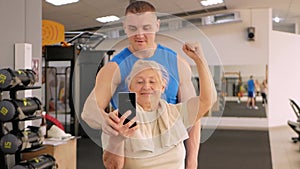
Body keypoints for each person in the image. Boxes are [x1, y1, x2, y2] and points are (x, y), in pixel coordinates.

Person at [82, 1, 209, 168]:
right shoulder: (115, 67)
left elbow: (194, 116)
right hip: (134, 154)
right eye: (133, 28)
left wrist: (192, 161)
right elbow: (89, 111)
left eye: (146, 28)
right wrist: (107, 122)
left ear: (157, 25)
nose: (140, 34)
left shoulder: (177, 63)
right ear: (125, 27)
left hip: (170, 153)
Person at [102, 43, 217, 169]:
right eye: (139, 82)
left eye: (152, 81)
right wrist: (117, 141)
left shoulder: (175, 113)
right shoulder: (120, 118)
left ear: (162, 87)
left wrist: (200, 60)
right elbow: (112, 166)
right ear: (130, 88)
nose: (146, 87)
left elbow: (207, 100)